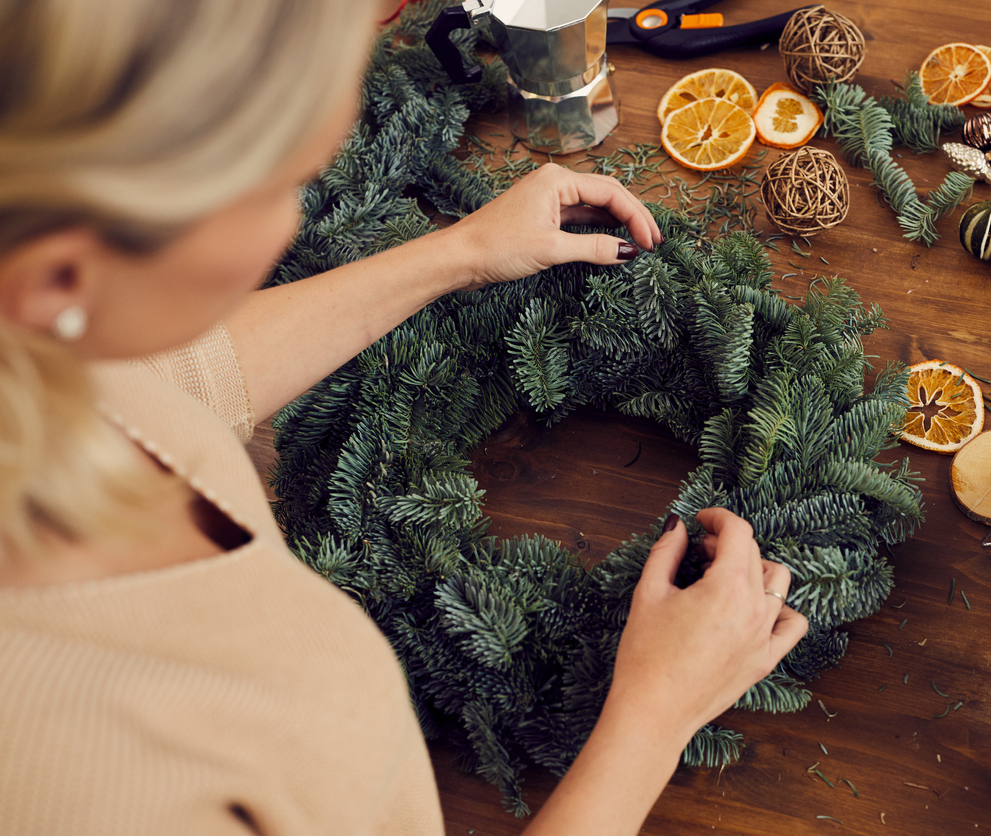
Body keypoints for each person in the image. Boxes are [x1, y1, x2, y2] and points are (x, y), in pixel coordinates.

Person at [0, 1, 808, 833]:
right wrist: (655, 717)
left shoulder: (36, 347)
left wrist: (459, 253)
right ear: (62, 273)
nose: (292, 216)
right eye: (282, 183)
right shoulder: (86, 775)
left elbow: (162, 382)